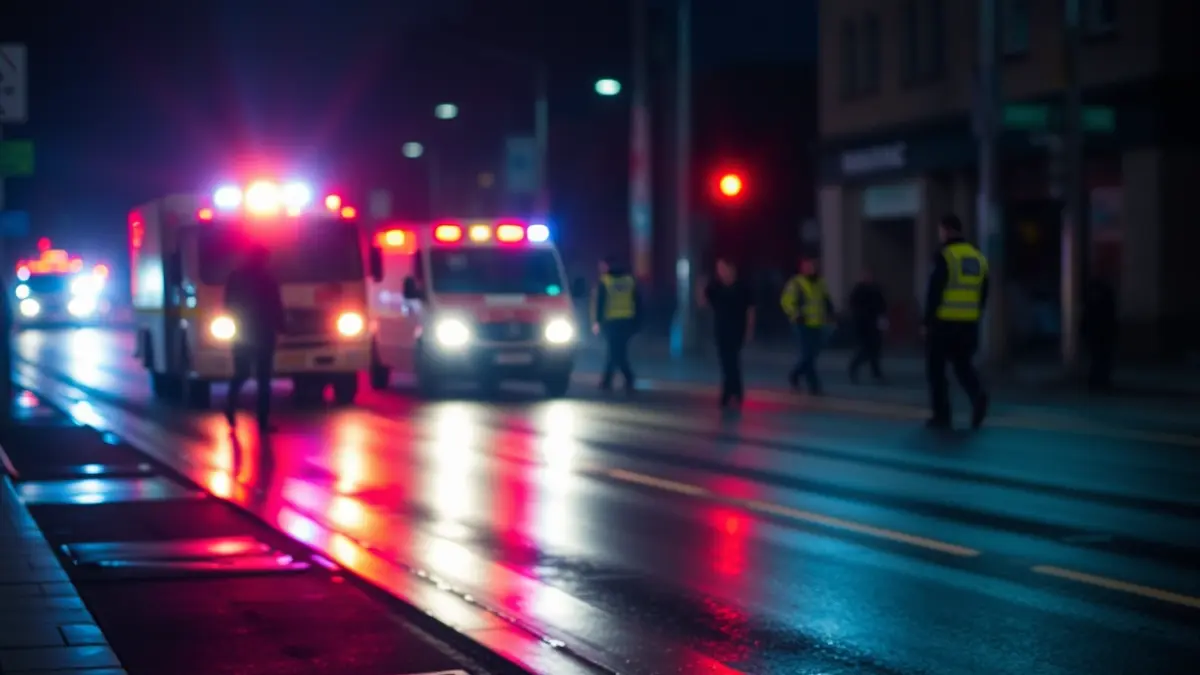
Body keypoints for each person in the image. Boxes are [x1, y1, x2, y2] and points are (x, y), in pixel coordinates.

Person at [923, 214, 989, 429]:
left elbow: (935, 291)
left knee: (936, 370)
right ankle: (977, 394)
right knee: (963, 365)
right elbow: (984, 292)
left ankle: (942, 415)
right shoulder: (978, 257)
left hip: (944, 323)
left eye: (941, 230)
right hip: (969, 324)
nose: (940, 235)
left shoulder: (946, 256)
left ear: (948, 230)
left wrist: (926, 321)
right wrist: (975, 314)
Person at [223, 243, 286, 430]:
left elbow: (228, 304)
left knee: (241, 373)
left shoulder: (236, 277)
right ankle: (262, 421)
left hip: (242, 333)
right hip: (263, 332)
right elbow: (275, 305)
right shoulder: (267, 279)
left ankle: (230, 405)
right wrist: (281, 327)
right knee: (264, 378)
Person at [701, 258, 755, 408]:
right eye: (719, 269)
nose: (721, 272)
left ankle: (732, 392)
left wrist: (750, 330)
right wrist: (700, 286)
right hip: (721, 330)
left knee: (733, 361)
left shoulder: (742, 287)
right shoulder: (715, 287)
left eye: (723, 268)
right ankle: (733, 391)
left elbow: (750, 310)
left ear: (732, 269)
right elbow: (703, 302)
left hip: (737, 330)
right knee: (726, 362)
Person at [781, 258, 835, 395]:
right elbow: (785, 301)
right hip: (801, 324)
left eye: (811, 266)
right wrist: (795, 314)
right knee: (808, 355)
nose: (809, 269)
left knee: (812, 355)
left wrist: (831, 314)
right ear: (801, 268)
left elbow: (826, 299)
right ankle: (814, 386)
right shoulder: (796, 283)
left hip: (817, 323)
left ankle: (795, 374)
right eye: (806, 266)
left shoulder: (820, 282)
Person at [591, 256, 641, 393]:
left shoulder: (606, 281)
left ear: (607, 266)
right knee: (618, 351)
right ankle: (612, 380)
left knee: (615, 352)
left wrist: (597, 322)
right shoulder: (629, 281)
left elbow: (600, 304)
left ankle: (619, 379)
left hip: (611, 322)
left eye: (602, 266)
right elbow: (637, 302)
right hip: (627, 321)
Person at [847, 268, 887, 383]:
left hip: (874, 323)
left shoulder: (876, 289)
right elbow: (854, 305)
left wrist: (883, 320)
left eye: (870, 275)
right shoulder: (858, 290)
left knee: (875, 349)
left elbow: (882, 305)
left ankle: (876, 373)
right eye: (866, 275)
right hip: (862, 324)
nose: (868, 278)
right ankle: (854, 367)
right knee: (866, 349)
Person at [1081, 275, 1117, 391]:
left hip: (1101, 334)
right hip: (1099, 334)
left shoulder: (1098, 304)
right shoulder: (1098, 304)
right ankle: (1098, 382)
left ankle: (1098, 382)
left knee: (1100, 359)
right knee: (1099, 359)